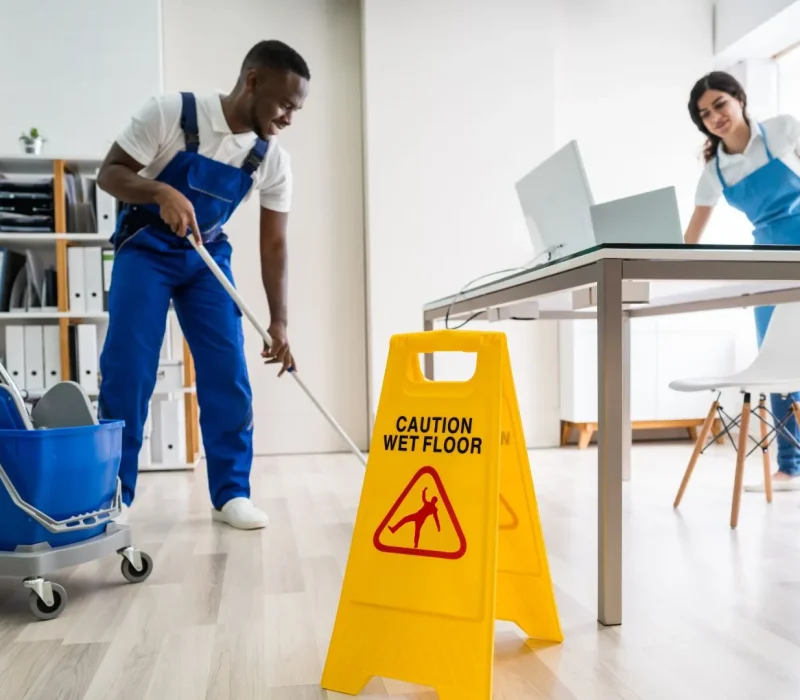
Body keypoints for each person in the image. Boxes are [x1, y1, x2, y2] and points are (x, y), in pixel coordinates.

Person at [95, 39, 310, 528]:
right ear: (252, 81)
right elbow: (109, 173)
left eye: (296, 110)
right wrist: (159, 190)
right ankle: (114, 494)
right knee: (129, 369)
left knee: (227, 371)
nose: (289, 119)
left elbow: (274, 245)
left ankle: (232, 492)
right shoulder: (171, 112)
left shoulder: (271, 159)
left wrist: (279, 323)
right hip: (145, 248)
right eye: (284, 104)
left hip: (206, 255)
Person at [685, 70, 800, 491]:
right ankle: (791, 467)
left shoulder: (784, 130)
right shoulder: (715, 172)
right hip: (768, 265)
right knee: (779, 367)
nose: (715, 116)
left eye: (720, 104)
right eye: (704, 114)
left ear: (739, 99)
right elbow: (689, 240)